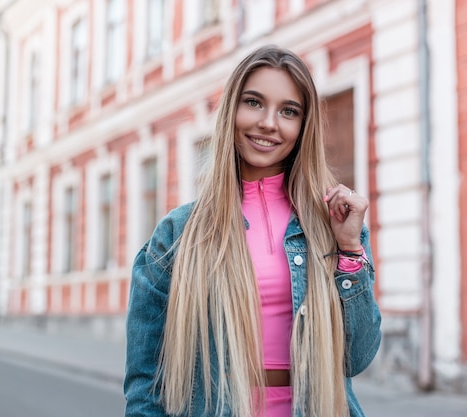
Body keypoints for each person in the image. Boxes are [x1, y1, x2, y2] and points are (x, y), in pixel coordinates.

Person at [124, 45, 381, 417]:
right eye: (254, 103)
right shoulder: (178, 234)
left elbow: (356, 358)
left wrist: (349, 250)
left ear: (303, 126)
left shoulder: (334, 226)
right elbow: (145, 384)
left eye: (288, 111)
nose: (269, 123)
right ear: (232, 110)